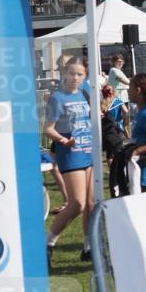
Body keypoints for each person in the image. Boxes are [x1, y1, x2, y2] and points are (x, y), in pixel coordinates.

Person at [43, 56, 93, 264]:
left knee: (91, 204)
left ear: (85, 76)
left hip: (89, 150)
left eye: (79, 74)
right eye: (71, 73)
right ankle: (48, 242)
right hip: (70, 153)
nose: (75, 78)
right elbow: (47, 129)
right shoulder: (58, 98)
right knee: (77, 204)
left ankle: (89, 248)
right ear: (65, 73)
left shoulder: (84, 93)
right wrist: (64, 140)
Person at [106, 53, 131, 131]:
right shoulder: (113, 70)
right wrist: (135, 82)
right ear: (114, 62)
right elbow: (125, 81)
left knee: (126, 117)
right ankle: (121, 134)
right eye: (118, 61)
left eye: (122, 61)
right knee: (119, 119)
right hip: (116, 99)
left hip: (123, 98)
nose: (120, 63)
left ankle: (126, 136)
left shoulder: (119, 71)